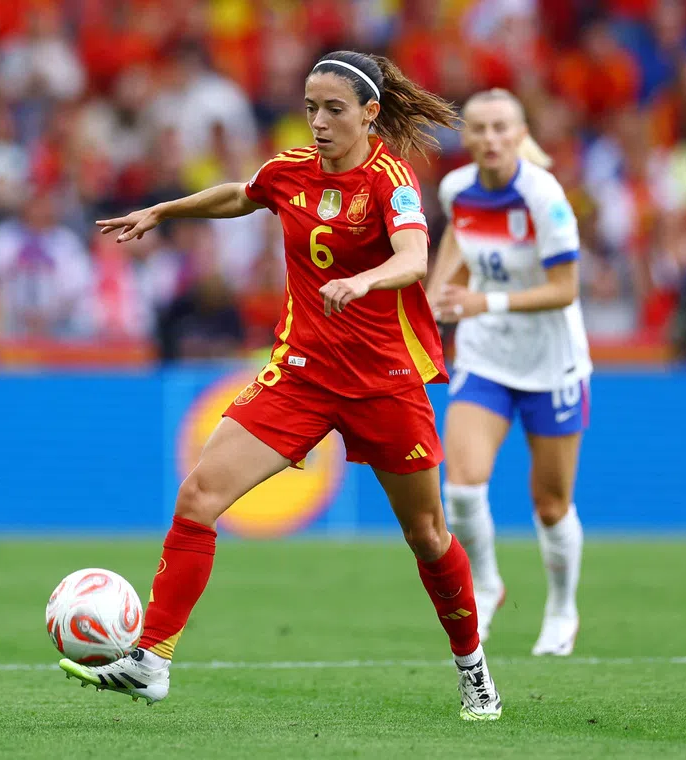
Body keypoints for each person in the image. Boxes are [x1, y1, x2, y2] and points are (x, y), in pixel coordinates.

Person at [59, 51, 503, 721]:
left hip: (385, 382)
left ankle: (473, 669)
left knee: (428, 535)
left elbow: (414, 255)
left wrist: (365, 279)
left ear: (370, 114)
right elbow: (244, 194)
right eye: (310, 109)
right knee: (200, 494)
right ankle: (151, 660)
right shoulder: (291, 170)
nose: (319, 123)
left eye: (333, 111)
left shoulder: (390, 180)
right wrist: (166, 210)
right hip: (302, 373)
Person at [426, 89, 590, 656]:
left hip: (551, 365)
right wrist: (435, 295)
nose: (490, 138)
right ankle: (489, 584)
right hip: (487, 357)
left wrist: (481, 304)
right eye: (478, 128)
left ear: (520, 134)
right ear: (466, 138)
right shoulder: (457, 190)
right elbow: (459, 237)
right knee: (462, 487)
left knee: (550, 504)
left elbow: (566, 289)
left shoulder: (544, 198)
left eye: (501, 127)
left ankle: (562, 608)